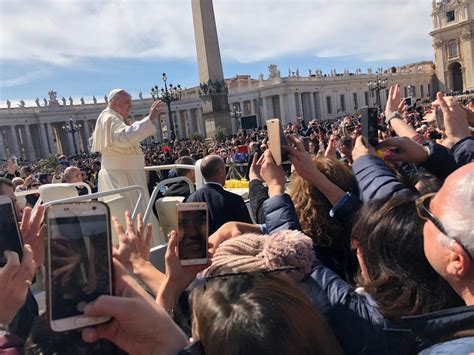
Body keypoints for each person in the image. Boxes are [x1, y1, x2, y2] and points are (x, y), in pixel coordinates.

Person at [91, 89, 163, 244]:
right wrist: (149, 119)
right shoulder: (109, 118)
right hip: (122, 177)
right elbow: (124, 138)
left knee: (136, 215)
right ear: (114, 103)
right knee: (133, 216)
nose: (130, 106)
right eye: (127, 102)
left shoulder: (111, 118)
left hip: (125, 174)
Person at [185, 155, 252, 234]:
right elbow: (249, 233)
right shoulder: (235, 201)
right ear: (220, 172)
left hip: (198, 246)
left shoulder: (188, 200)